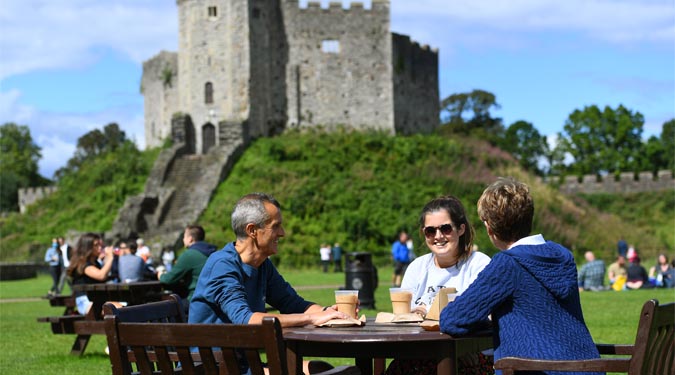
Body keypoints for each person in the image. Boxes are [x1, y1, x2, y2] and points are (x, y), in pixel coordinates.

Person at [439, 178, 600, 374]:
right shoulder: (563, 255)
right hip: (588, 367)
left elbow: (453, 319)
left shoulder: (508, 263)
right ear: (529, 217)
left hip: (537, 370)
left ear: (489, 227)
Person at [189, 193, 349, 374]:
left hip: (241, 365)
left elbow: (292, 303)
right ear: (252, 230)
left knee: (320, 369)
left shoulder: (262, 265)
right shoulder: (222, 265)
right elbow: (246, 320)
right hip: (213, 368)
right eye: (276, 226)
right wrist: (312, 318)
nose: (282, 233)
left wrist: (331, 313)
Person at [386, 195, 492, 375]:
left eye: (445, 228)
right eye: (430, 231)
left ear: (460, 229)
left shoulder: (478, 264)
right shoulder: (417, 267)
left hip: (469, 353)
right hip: (418, 354)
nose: (438, 236)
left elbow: (484, 316)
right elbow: (402, 320)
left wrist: (425, 311)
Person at [158, 225, 218, 308]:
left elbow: (169, 279)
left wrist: (161, 275)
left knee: (167, 307)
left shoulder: (189, 255)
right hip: (215, 298)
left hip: (197, 300)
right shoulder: (213, 252)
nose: (183, 239)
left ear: (190, 239)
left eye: (184, 237)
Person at [67, 233, 114, 315]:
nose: (100, 247)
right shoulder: (83, 265)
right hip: (86, 301)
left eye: (100, 244)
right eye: (96, 245)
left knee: (126, 308)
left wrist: (107, 259)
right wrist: (110, 257)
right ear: (88, 247)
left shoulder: (95, 263)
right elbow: (101, 276)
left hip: (97, 300)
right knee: (118, 310)